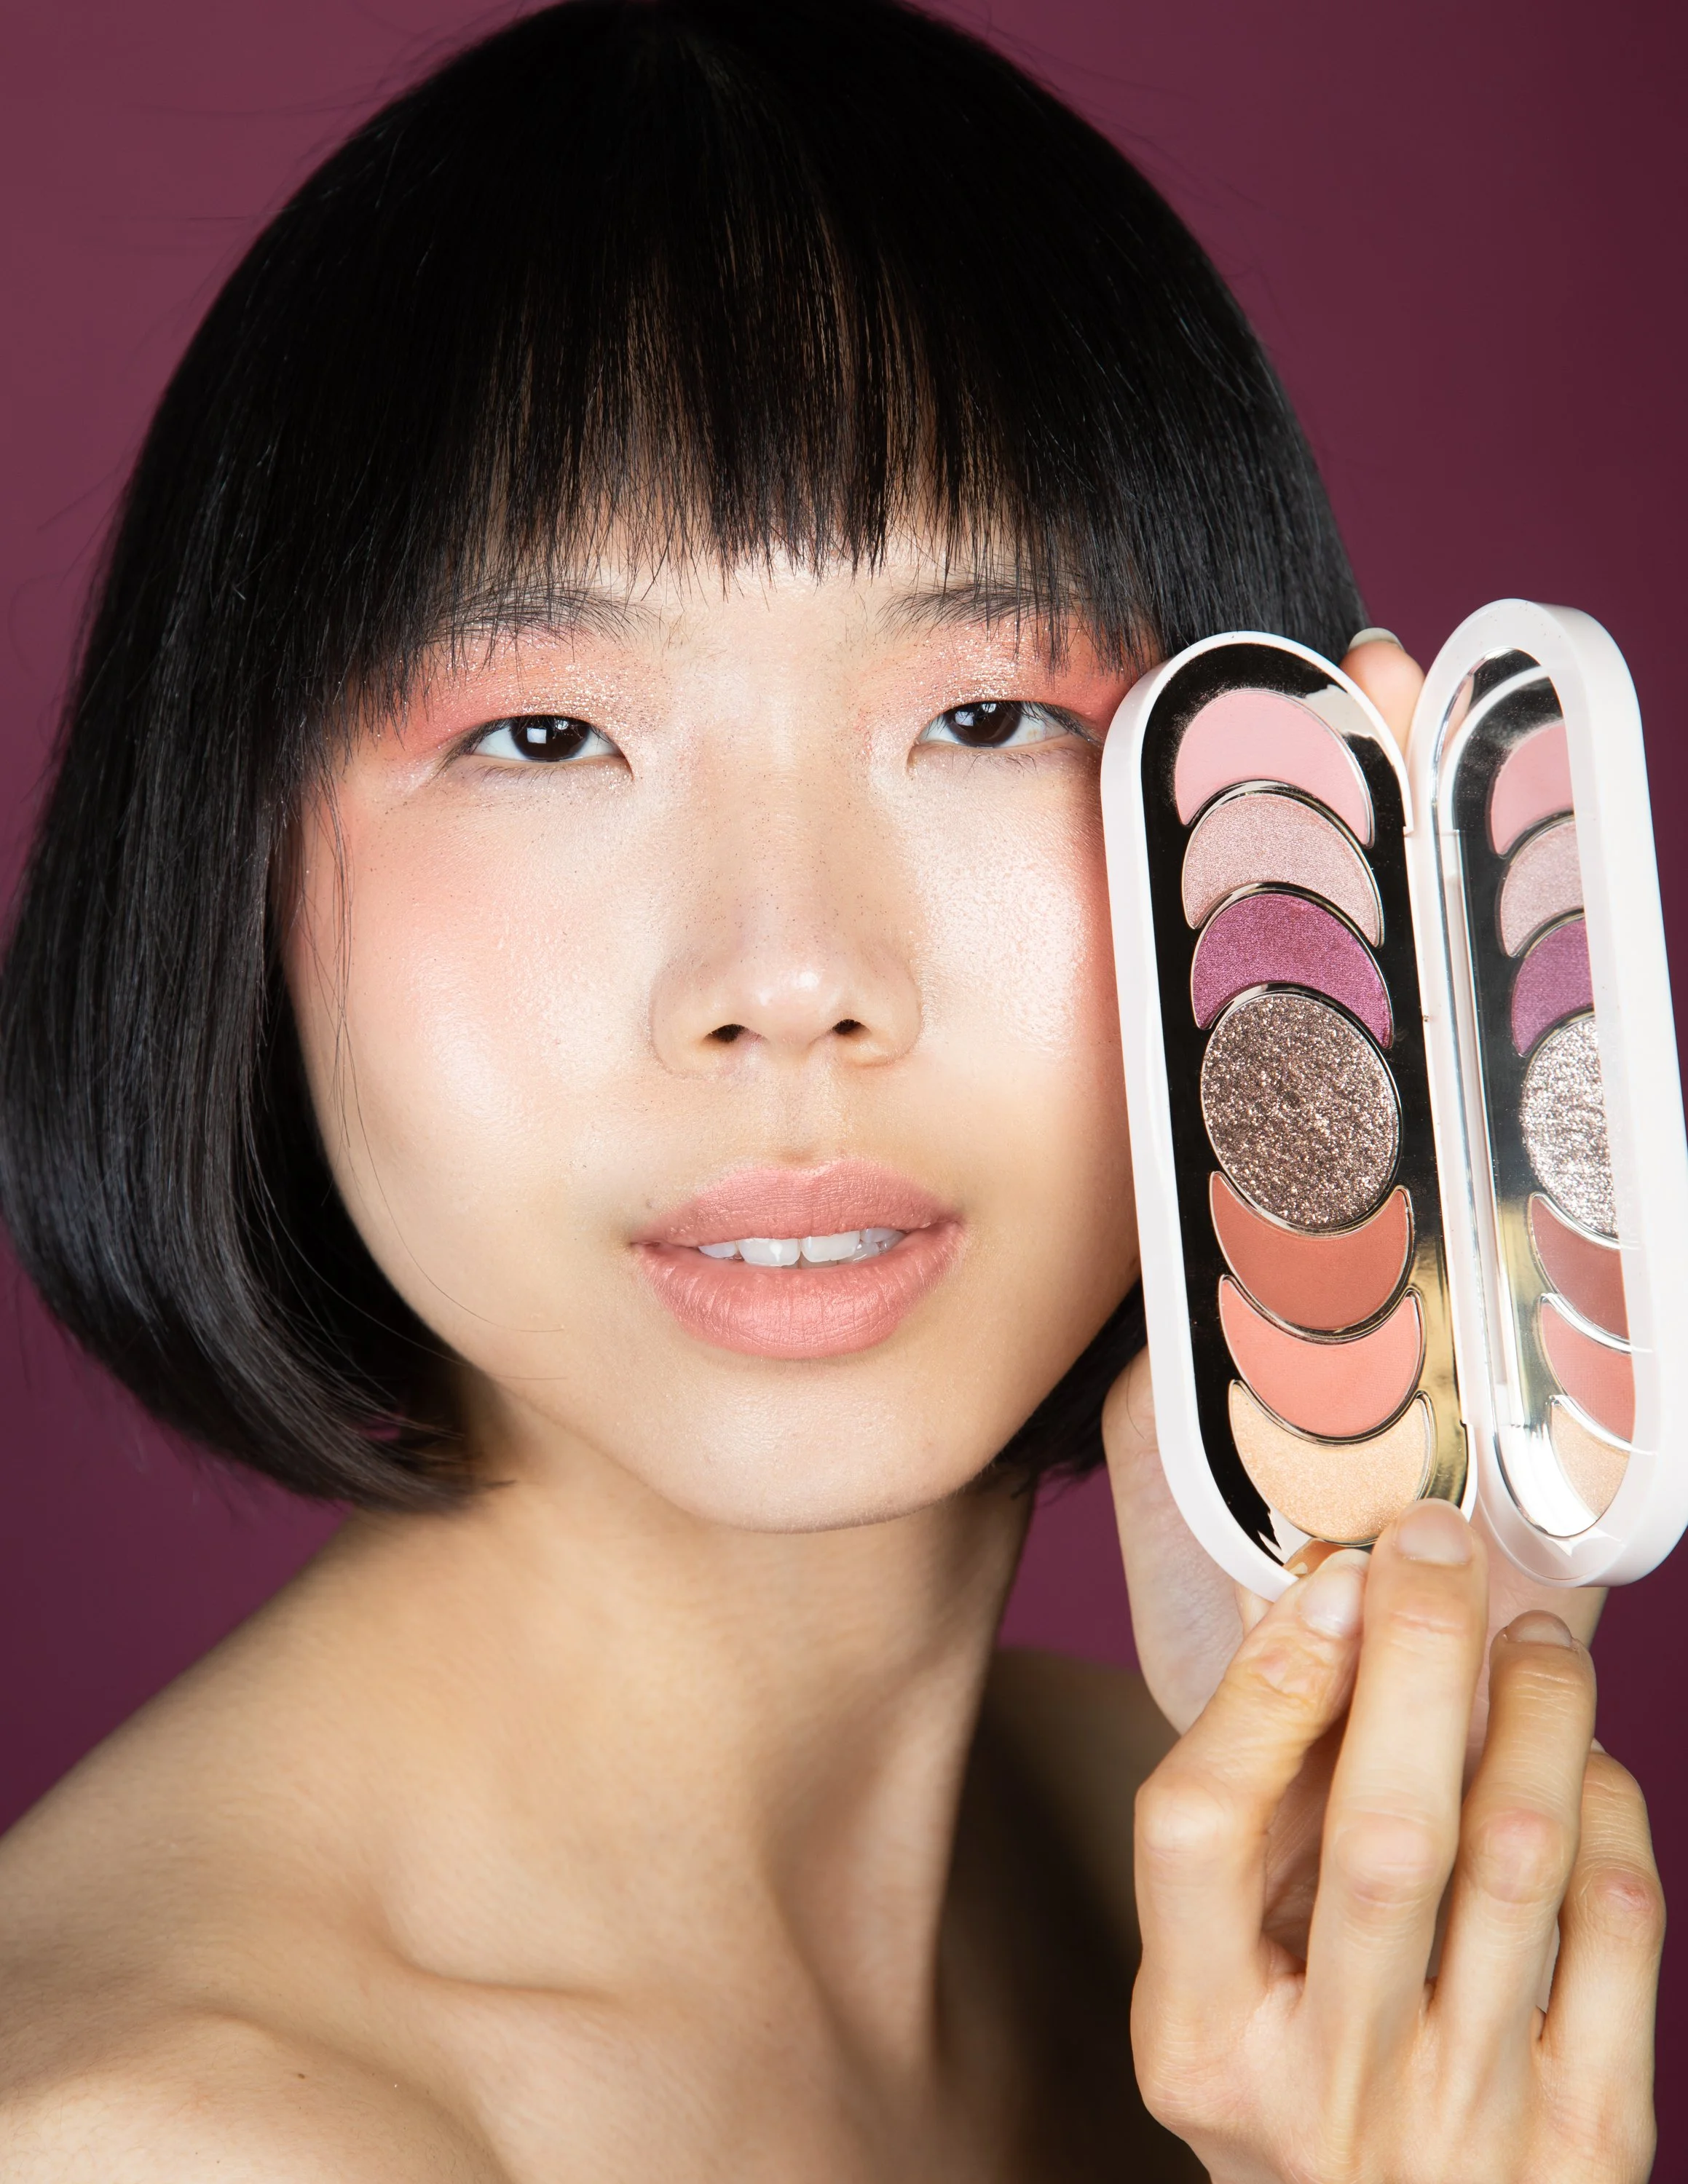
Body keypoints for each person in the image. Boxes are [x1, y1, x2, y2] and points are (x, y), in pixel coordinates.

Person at [0, 2, 1660, 2175]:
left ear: (1286, 852)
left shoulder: (1229, 1879)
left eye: (984, 717)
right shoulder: (168, 2139)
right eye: (542, 737)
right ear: (218, 863)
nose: (788, 981)